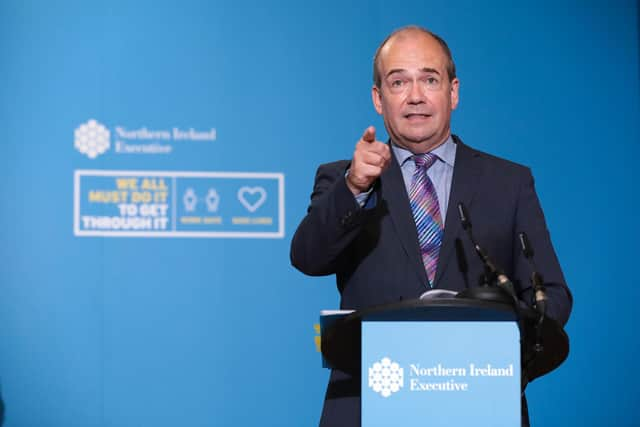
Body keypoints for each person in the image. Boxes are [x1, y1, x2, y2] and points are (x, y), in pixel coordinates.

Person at [290, 25, 572, 427]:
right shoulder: (343, 179)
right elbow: (307, 257)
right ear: (378, 99)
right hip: (370, 407)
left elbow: (552, 295)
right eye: (398, 81)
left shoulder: (508, 183)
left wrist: (498, 349)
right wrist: (354, 185)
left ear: (453, 92)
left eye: (430, 79)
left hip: (480, 406)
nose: (416, 96)